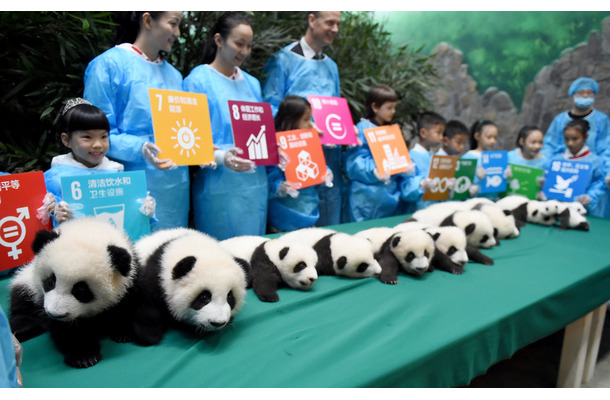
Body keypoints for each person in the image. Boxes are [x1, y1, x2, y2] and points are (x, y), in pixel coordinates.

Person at [83, 11, 188, 231]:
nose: (177, 33)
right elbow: (94, 134)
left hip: (176, 188)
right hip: (129, 185)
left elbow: (184, 130)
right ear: (148, 20)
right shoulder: (108, 65)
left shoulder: (175, 76)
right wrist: (139, 147)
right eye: (173, 24)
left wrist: (202, 148)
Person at [183, 12, 267, 240]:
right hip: (217, 186)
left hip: (255, 184)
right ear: (219, 40)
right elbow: (189, 139)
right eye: (239, 44)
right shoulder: (197, 81)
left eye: (249, 46)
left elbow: (259, 131)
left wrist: (274, 152)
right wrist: (222, 158)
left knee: (254, 252)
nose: (245, 52)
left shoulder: (253, 84)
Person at [261, 11, 343, 226]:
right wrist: (301, 131)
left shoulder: (332, 67)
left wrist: (342, 131)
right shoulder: (283, 59)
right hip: (291, 155)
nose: (335, 29)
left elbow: (335, 107)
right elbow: (270, 107)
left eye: (338, 24)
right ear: (311, 19)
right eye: (330, 22)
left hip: (326, 154)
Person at [43, 98, 155, 226]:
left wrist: (146, 211)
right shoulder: (54, 178)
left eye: (103, 137)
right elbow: (40, 223)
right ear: (66, 140)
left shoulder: (116, 174)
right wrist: (55, 214)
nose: (98, 145)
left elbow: (133, 223)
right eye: (87, 137)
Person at [267, 95, 333, 231]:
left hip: (309, 211)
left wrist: (326, 172)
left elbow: (317, 163)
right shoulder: (275, 146)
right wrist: (279, 187)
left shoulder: (309, 141)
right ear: (290, 120)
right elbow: (267, 180)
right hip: (283, 217)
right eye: (306, 120)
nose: (310, 124)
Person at [343, 85, 408, 222]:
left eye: (394, 107)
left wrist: (403, 166)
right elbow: (353, 161)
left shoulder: (390, 131)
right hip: (364, 198)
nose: (393, 111)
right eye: (389, 108)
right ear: (375, 107)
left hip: (387, 197)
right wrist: (373, 170)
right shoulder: (362, 129)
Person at [542, 77, 610, 160]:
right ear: (573, 95)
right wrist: (547, 163)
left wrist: (605, 169)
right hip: (561, 164)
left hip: (590, 167)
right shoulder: (560, 120)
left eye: (589, 93)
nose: (585, 96)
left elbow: (606, 148)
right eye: (581, 93)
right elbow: (549, 146)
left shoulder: (601, 119)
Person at [547, 119, 606, 215]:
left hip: (582, 211)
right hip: (554, 209)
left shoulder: (595, 161)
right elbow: (547, 178)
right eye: (566, 139)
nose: (570, 143)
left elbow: (600, 183)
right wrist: (543, 186)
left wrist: (590, 197)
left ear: (585, 137)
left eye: (575, 139)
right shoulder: (556, 159)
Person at [399, 111, 446, 213]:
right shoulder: (410, 157)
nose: (441, 137)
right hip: (416, 213)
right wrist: (421, 184)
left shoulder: (437, 158)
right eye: (438, 132)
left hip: (436, 211)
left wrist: (448, 186)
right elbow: (405, 189)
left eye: (442, 133)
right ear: (423, 133)